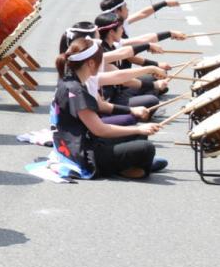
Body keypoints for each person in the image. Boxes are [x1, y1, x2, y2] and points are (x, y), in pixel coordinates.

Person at [51, 36, 165, 179]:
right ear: (91, 63)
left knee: (139, 135)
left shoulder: (73, 78)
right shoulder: (76, 91)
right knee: (146, 147)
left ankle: (131, 164)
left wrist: (150, 68)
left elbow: (118, 76)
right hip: (84, 153)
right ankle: (124, 166)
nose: (102, 64)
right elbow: (100, 129)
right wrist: (138, 128)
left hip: (88, 140)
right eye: (100, 61)